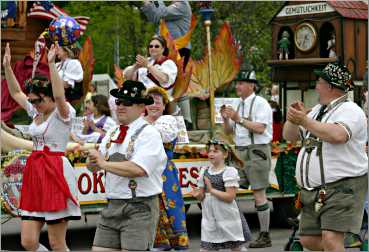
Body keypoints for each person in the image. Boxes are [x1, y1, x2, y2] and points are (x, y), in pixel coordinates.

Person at [3, 42, 81, 251]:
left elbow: (58, 95)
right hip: (35, 171)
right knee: (28, 241)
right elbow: (16, 93)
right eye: (33, 100)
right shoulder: (37, 113)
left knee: (57, 243)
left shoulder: (63, 113)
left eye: (38, 99)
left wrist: (52, 64)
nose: (34, 103)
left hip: (55, 169)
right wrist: (8, 68)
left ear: (48, 97)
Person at [283, 62, 368, 251]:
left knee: (330, 239)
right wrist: (293, 119)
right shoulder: (317, 110)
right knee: (308, 240)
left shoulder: (351, 110)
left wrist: (304, 119)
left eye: (319, 82)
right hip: (314, 190)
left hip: (342, 186)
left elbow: (337, 135)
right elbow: (289, 136)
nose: (316, 86)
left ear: (330, 86)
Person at [87, 80, 167, 251]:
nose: (121, 106)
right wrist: (92, 163)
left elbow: (138, 169)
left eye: (127, 103)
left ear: (141, 107)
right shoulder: (112, 132)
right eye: (118, 102)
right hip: (112, 205)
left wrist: (102, 163)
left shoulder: (149, 133)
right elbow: (96, 167)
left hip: (139, 207)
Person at [220, 70, 273, 248]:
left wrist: (238, 118)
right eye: (237, 83)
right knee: (229, 189)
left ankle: (265, 235)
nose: (237, 86)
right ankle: (235, 231)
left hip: (257, 151)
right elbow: (228, 132)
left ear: (252, 86)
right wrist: (226, 119)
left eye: (241, 83)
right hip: (240, 152)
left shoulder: (261, 103)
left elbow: (260, 128)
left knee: (258, 193)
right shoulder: (239, 104)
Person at [144, 86, 189, 250]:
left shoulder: (168, 121)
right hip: (145, 171)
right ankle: (159, 242)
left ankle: (177, 242)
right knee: (151, 206)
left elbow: (160, 135)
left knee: (171, 205)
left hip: (164, 170)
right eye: (150, 102)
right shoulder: (140, 123)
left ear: (164, 105)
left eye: (158, 102)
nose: (154, 105)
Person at [190, 139, 252, 251]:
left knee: (236, 247)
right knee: (206, 248)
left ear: (225, 154)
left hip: (227, 216)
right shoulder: (204, 171)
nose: (211, 154)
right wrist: (198, 194)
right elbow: (202, 197)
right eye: (210, 151)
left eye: (215, 151)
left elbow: (230, 197)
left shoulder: (229, 171)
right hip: (210, 217)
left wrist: (211, 190)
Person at [142, 0, 193, 128]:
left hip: (179, 49)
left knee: (179, 83)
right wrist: (147, 4)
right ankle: (170, 117)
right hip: (166, 49)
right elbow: (154, 17)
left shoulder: (182, 5)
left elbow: (161, 12)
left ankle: (187, 121)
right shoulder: (170, 8)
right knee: (165, 84)